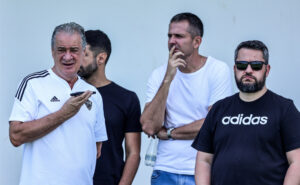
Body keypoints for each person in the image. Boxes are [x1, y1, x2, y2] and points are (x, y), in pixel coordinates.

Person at [8, 22, 107, 185]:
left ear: (83, 52)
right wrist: (63, 114)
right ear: (52, 52)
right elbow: (15, 136)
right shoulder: (33, 84)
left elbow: (96, 149)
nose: (67, 56)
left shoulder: (93, 93)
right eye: (61, 50)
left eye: (74, 50)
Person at [140, 12, 232, 185]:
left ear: (197, 42)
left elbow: (214, 124)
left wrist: (169, 133)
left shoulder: (217, 70)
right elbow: (149, 126)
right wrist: (168, 79)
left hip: (201, 170)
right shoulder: (159, 75)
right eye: (170, 36)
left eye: (179, 36)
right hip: (164, 169)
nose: (172, 41)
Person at [192, 40, 300, 185]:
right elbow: (204, 160)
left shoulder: (285, 109)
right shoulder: (219, 109)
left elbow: (297, 161)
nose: (248, 70)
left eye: (256, 66)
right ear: (235, 69)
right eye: (242, 65)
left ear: (267, 70)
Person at [78, 30, 142, 185]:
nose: (76, 59)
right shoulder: (66, 94)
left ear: (101, 58)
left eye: (84, 54)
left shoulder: (127, 99)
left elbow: (133, 153)